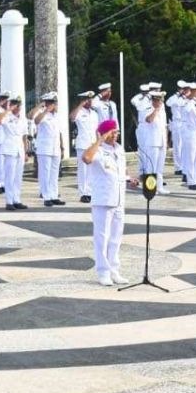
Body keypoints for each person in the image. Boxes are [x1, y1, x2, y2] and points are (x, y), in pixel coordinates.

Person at [83, 119, 136, 286]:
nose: (115, 135)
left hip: (119, 198)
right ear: (104, 133)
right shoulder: (98, 150)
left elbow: (120, 170)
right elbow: (86, 158)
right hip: (103, 200)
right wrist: (99, 139)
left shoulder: (119, 149)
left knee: (116, 238)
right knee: (102, 238)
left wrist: (129, 179)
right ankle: (103, 272)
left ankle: (114, 270)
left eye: (116, 132)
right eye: (112, 132)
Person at [0, 94, 29, 211]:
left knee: (18, 176)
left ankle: (16, 199)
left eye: (18, 105)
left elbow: (24, 136)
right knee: (9, 176)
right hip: (9, 149)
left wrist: (25, 151)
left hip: (19, 149)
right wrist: (8, 109)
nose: (17, 108)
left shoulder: (22, 118)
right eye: (15, 105)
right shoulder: (6, 116)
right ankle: (9, 201)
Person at [30, 92, 65, 206]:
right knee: (45, 173)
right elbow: (35, 120)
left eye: (55, 103)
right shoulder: (42, 114)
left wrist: (62, 147)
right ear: (49, 104)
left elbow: (59, 132)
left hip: (56, 148)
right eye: (53, 103)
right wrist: (45, 109)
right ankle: (46, 196)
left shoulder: (57, 116)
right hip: (44, 148)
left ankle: (54, 195)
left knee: (54, 173)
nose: (56, 105)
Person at [71, 90, 98, 203]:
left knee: (92, 170)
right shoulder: (79, 112)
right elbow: (72, 117)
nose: (90, 101)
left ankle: (90, 192)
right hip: (82, 144)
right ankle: (83, 193)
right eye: (88, 99)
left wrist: (98, 144)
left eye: (91, 99)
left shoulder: (94, 113)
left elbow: (97, 130)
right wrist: (80, 105)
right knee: (83, 170)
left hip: (92, 144)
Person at [142, 90, 171, 194]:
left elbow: (165, 127)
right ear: (154, 101)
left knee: (160, 166)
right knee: (151, 166)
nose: (161, 102)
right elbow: (149, 120)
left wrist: (167, 141)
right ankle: (150, 188)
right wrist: (156, 110)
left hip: (162, 141)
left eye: (161, 100)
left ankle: (159, 187)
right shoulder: (148, 108)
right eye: (159, 100)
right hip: (152, 142)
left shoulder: (162, 111)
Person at [167, 81, 187, 176]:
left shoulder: (186, 98)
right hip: (177, 123)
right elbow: (168, 103)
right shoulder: (173, 98)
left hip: (185, 123)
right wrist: (178, 96)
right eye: (181, 89)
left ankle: (184, 166)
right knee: (177, 146)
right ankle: (178, 167)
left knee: (184, 146)